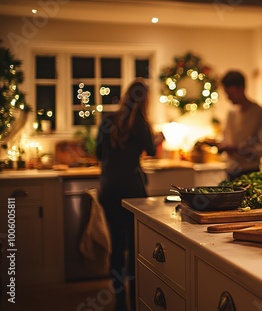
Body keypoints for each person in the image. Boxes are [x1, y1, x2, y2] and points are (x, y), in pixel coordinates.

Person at [96, 77, 159, 311]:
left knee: (116, 244)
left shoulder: (107, 121)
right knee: (133, 246)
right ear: (145, 101)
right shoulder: (142, 125)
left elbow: (99, 155)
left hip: (109, 188)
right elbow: (151, 151)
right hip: (133, 192)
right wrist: (158, 138)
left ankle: (120, 301)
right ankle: (135, 299)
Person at [217, 70, 262, 180]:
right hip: (231, 171)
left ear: (241, 88)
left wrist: (237, 149)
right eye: (226, 94)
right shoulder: (231, 113)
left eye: (230, 94)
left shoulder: (259, 113)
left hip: (250, 173)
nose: (228, 97)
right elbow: (226, 138)